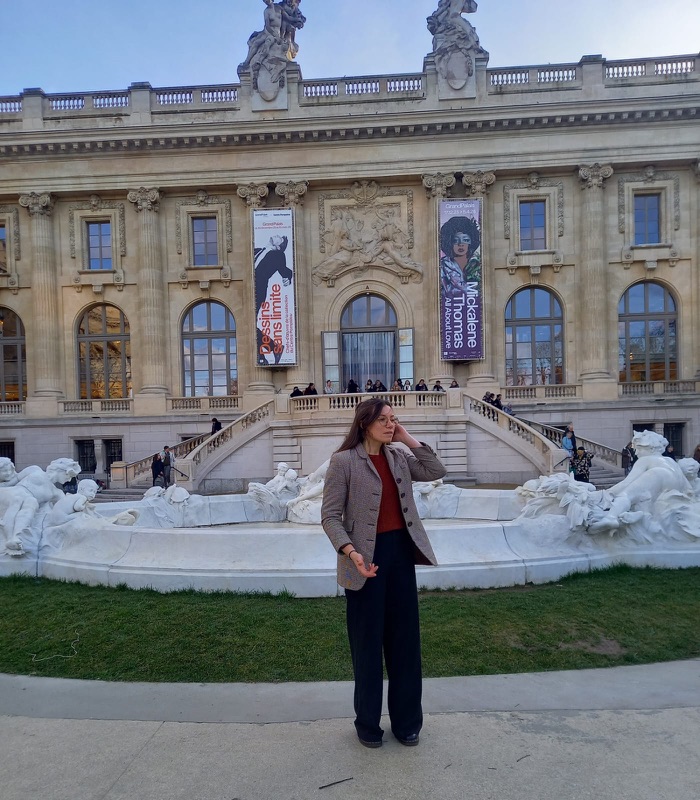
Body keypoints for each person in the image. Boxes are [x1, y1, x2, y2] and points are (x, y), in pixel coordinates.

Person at [321, 398, 447, 749]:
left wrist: (407, 438)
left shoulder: (399, 458)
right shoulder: (343, 461)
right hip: (363, 563)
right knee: (367, 646)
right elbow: (330, 517)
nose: (390, 425)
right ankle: (367, 724)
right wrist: (351, 552)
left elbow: (435, 471)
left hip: (400, 557)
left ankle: (408, 723)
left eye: (394, 419)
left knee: (405, 643)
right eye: (384, 420)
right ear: (364, 423)